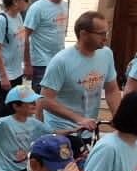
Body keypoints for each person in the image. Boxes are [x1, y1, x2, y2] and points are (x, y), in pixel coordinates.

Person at [38, 11, 120, 148]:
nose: (106, 38)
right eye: (101, 34)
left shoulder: (106, 54)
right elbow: (45, 100)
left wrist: (119, 117)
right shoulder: (61, 61)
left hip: (88, 131)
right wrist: (79, 119)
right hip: (62, 133)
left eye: (107, 32)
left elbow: (112, 90)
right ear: (84, 34)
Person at [20, 0, 70, 83]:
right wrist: (27, 64)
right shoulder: (37, 8)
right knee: (41, 97)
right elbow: (24, 36)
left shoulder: (65, 5)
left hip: (59, 61)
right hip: (41, 64)